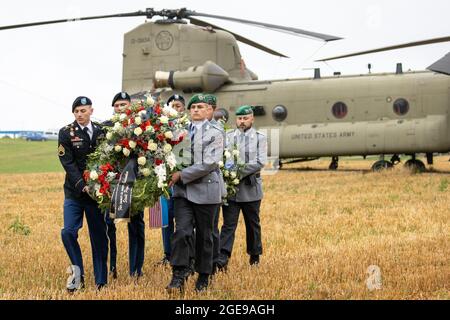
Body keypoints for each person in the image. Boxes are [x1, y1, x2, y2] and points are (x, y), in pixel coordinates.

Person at [166, 93, 224, 293]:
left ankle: (204, 275)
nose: (196, 110)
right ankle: (179, 274)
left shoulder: (215, 132)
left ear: (208, 110)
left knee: (205, 236)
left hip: (206, 191)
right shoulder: (179, 131)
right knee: (181, 232)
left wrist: (181, 175)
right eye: (193, 107)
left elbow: (209, 163)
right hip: (183, 193)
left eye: (200, 107)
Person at [58, 96, 108, 292]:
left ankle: (101, 281)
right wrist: (82, 185)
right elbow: (68, 164)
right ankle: (77, 276)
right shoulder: (66, 133)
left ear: (91, 111)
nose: (80, 114)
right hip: (75, 193)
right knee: (68, 232)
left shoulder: (101, 131)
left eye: (83, 110)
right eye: (76, 111)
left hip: (96, 196)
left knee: (99, 238)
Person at [217, 105, 267, 269]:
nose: (242, 121)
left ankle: (255, 255)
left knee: (253, 224)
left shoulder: (260, 137)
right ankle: (222, 258)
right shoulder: (228, 136)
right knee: (228, 224)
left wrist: (236, 173)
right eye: (239, 118)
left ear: (252, 119)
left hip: (250, 188)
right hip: (232, 190)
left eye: (245, 118)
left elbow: (260, 162)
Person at [102, 91, 146, 279]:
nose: (120, 108)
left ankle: (136, 270)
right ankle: (111, 268)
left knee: (136, 226)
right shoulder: (105, 128)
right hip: (111, 184)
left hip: (133, 184)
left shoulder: (142, 128)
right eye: (117, 105)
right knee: (107, 226)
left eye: (124, 104)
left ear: (131, 107)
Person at [157, 94, 187, 266]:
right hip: (165, 182)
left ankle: (184, 255)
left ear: (183, 109)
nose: (175, 109)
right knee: (165, 220)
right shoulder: (159, 128)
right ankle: (168, 255)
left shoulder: (189, 128)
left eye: (178, 106)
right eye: (172, 106)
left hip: (183, 181)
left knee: (184, 222)